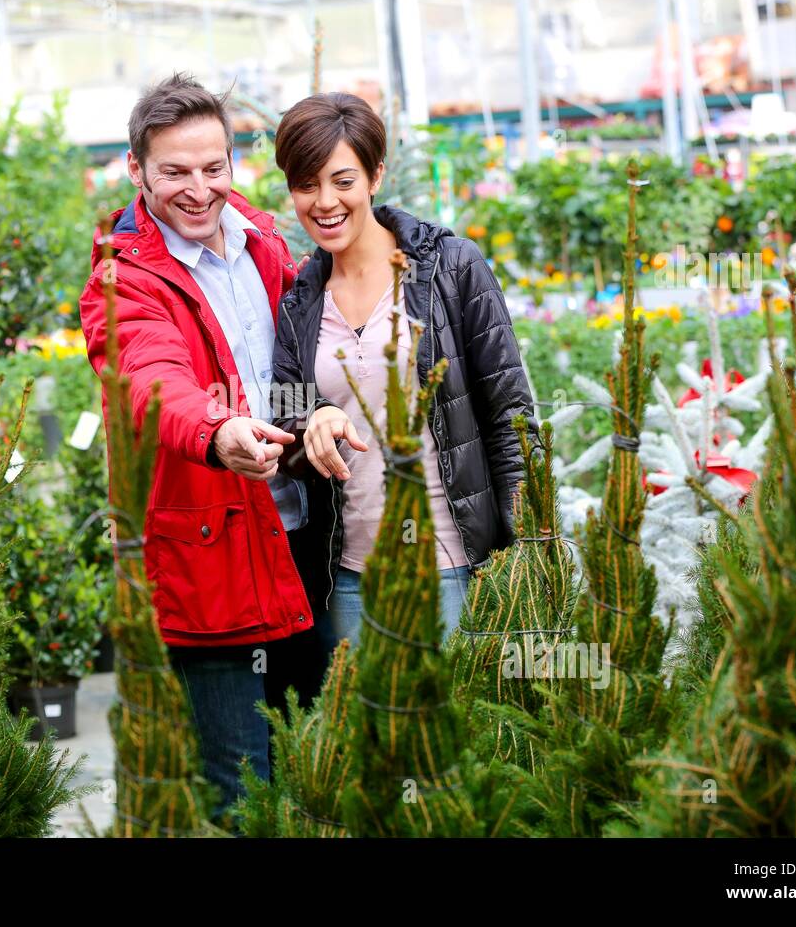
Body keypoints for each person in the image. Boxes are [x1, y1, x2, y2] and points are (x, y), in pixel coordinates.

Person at [78, 73, 326, 820]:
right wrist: (218, 435)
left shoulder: (265, 245)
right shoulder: (125, 283)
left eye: (213, 168)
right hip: (211, 558)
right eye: (175, 173)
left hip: (301, 539)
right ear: (137, 171)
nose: (197, 189)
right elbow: (150, 380)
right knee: (240, 785)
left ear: (232, 162)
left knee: (314, 761)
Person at [269, 92, 535, 662]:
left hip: (454, 569)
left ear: (375, 176)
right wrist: (310, 421)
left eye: (342, 180)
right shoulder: (299, 303)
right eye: (305, 185)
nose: (324, 202)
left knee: (460, 742)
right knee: (369, 746)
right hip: (350, 581)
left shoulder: (453, 269)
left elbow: (512, 420)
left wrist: (528, 554)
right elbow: (284, 433)